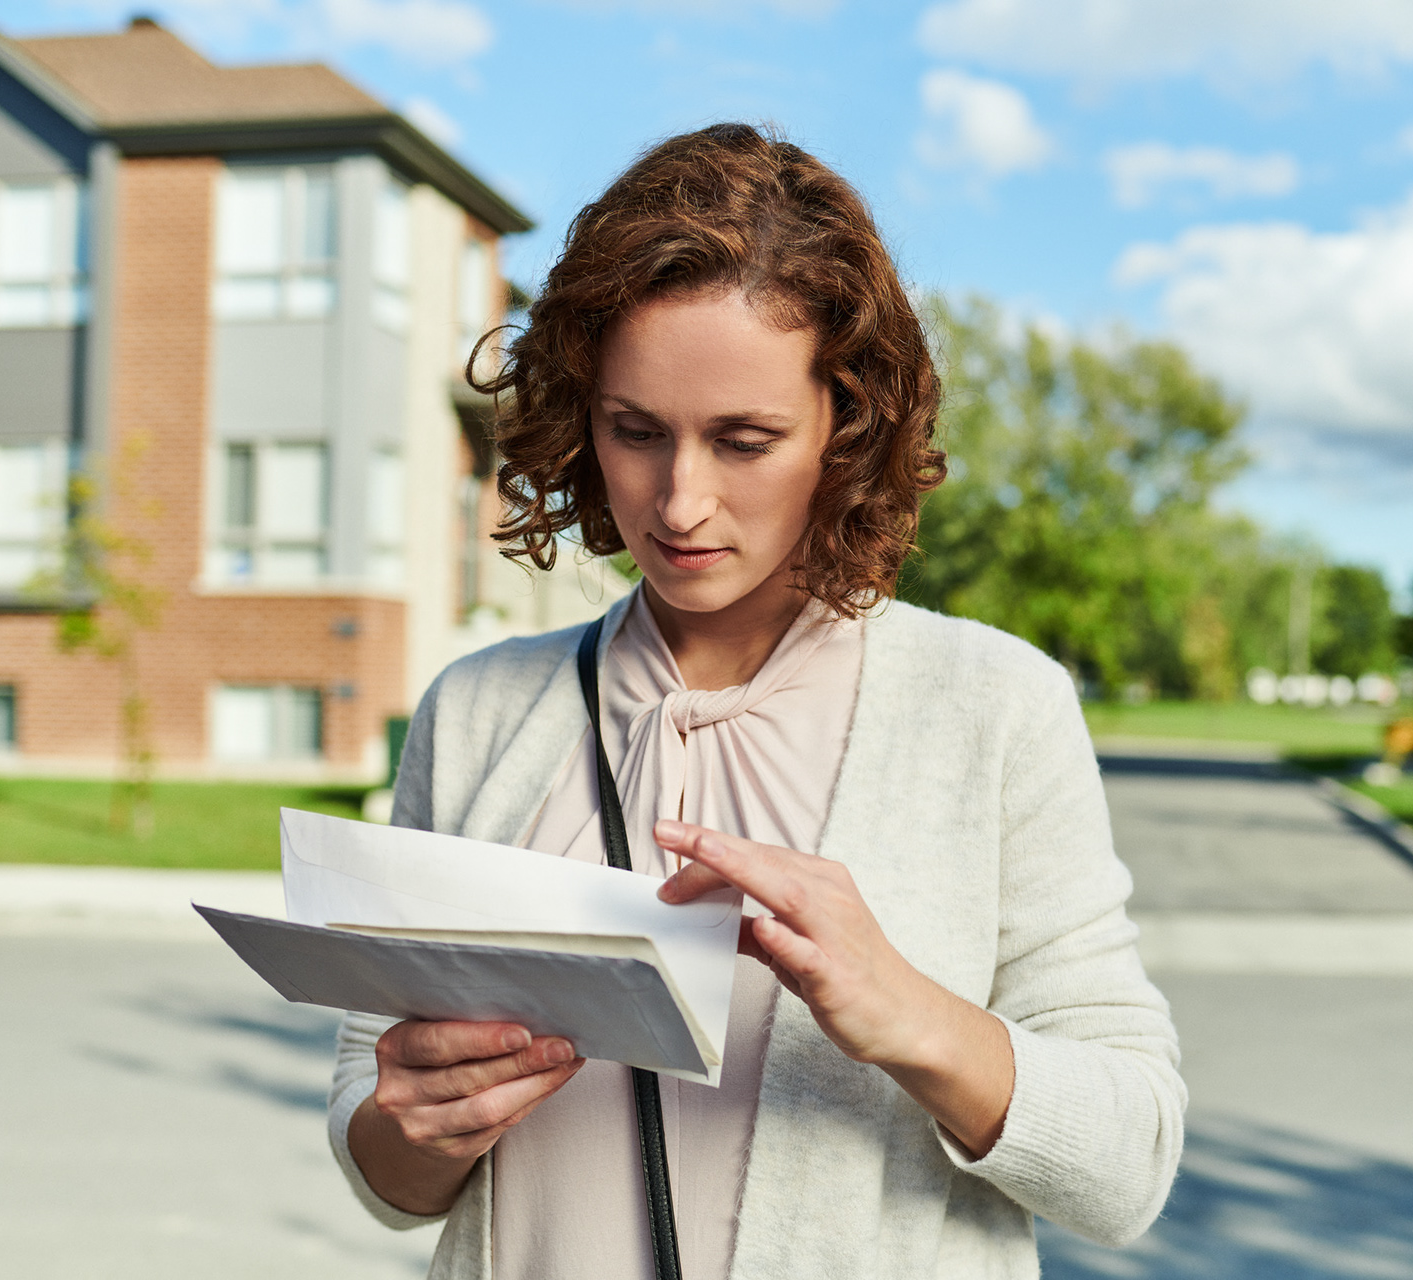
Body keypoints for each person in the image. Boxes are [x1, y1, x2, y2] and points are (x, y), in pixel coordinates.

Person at [327, 122, 1185, 1280]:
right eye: (636, 432)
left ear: (847, 425)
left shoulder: (992, 707)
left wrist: (907, 1013)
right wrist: (411, 1122)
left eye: (744, 440)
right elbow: (386, 1165)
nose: (680, 500)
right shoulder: (478, 709)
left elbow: (1129, 1167)